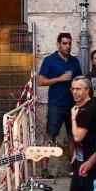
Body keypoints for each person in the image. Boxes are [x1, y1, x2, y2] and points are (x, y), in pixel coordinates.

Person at [38, 33, 83, 162]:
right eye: (64, 43)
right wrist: (60, 78)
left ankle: (74, 167)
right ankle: (45, 170)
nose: (67, 46)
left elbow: (79, 80)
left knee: (73, 136)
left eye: (69, 43)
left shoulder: (74, 61)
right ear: (58, 44)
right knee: (50, 135)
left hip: (72, 104)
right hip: (55, 104)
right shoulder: (49, 60)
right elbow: (40, 81)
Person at [70, 76, 96, 191]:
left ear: (87, 90)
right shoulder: (85, 107)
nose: (75, 92)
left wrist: (72, 117)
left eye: (79, 89)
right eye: (73, 89)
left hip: (91, 159)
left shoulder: (87, 110)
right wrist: (75, 155)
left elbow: (78, 136)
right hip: (83, 156)